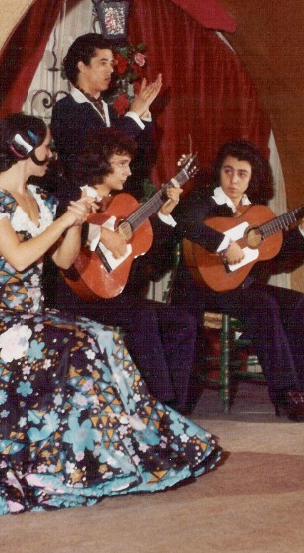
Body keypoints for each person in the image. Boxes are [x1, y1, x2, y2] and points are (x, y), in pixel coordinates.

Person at [0, 115, 221, 514]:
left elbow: (65, 260)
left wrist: (77, 219)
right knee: (80, 344)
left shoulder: (40, 199)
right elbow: (17, 259)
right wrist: (66, 218)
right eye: (45, 145)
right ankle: (70, 463)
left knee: (104, 336)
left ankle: (110, 456)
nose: (51, 154)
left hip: (32, 317)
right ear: (22, 149)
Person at [169, 139, 304, 422]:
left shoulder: (255, 212)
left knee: (300, 303)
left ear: (252, 177)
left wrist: (302, 229)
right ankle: (285, 394)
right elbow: (186, 222)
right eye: (228, 171)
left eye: (242, 174)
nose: (233, 180)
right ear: (219, 171)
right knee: (264, 304)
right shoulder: (203, 199)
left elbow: (274, 254)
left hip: (240, 287)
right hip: (203, 288)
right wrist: (222, 244)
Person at [48, 128, 198, 413]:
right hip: (75, 296)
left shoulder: (127, 204)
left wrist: (165, 214)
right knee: (142, 317)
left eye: (129, 164)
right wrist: (100, 234)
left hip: (113, 294)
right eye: (121, 163)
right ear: (100, 162)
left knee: (183, 321)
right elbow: (56, 225)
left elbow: (149, 256)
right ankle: (156, 405)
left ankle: (175, 409)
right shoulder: (70, 192)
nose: (128, 172)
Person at [49, 32, 162, 192]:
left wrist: (143, 114)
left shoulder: (108, 110)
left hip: (116, 202)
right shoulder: (66, 109)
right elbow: (97, 154)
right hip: (83, 204)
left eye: (112, 63)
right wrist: (134, 115)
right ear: (82, 66)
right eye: (103, 63)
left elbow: (140, 158)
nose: (111, 70)